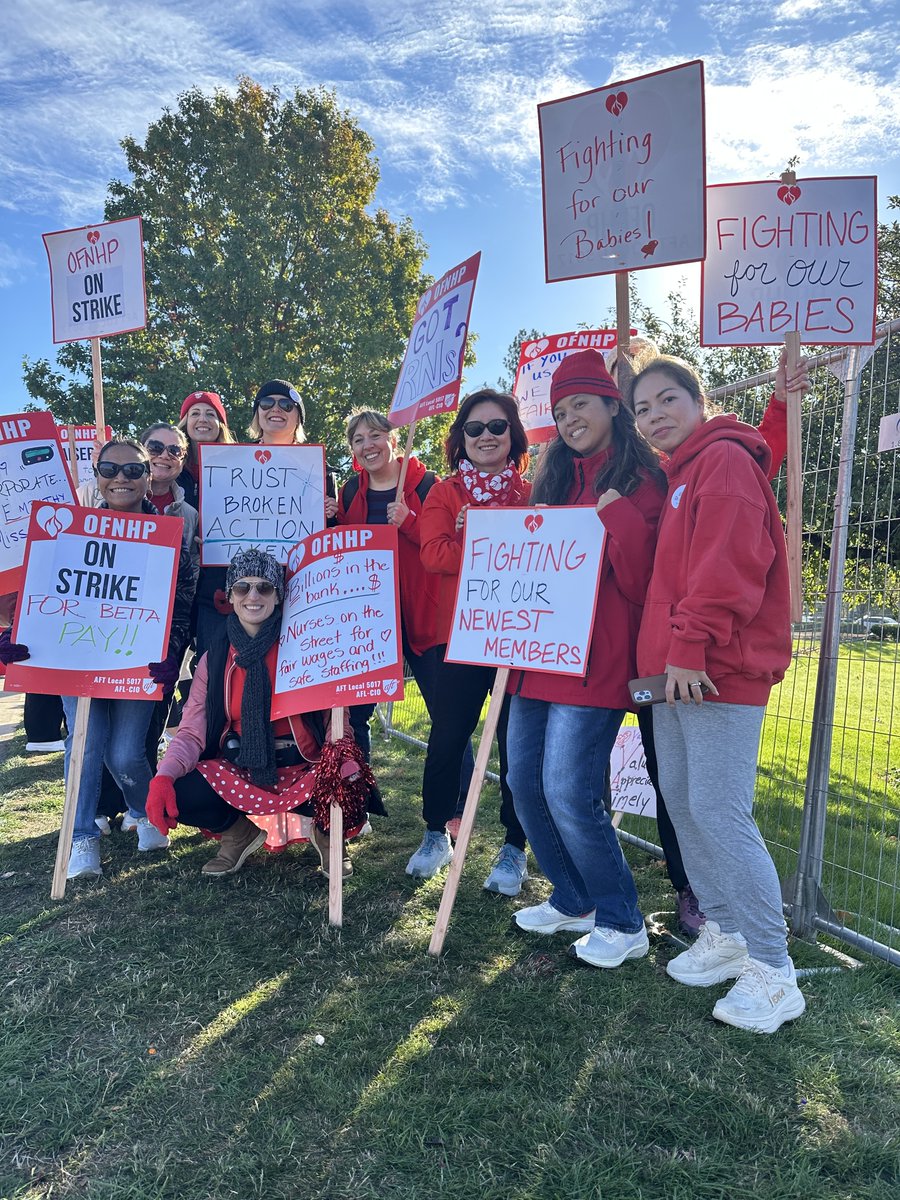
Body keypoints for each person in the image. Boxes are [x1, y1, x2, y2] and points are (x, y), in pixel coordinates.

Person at [632, 355, 805, 1032]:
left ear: (700, 402)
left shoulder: (723, 461)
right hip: (673, 674)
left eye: (667, 398)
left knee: (720, 810)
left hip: (712, 670)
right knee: (683, 802)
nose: (655, 416)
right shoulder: (689, 470)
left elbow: (728, 565)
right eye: (643, 408)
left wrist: (688, 645)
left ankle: (774, 967)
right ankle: (728, 930)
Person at [506, 349, 664, 967]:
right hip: (534, 657)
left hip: (595, 664)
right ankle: (573, 897)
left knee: (569, 791)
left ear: (610, 405)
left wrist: (617, 516)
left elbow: (646, 581)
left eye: (582, 405)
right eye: (562, 409)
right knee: (522, 783)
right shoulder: (552, 481)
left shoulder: (641, 481)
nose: (571, 418)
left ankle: (623, 920)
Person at [146, 549, 380, 876]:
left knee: (351, 780)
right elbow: (191, 732)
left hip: (303, 766)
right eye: (242, 587)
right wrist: (164, 777)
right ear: (230, 595)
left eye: (265, 588)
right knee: (182, 788)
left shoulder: (308, 648)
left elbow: (334, 718)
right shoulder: (213, 661)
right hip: (241, 768)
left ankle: (328, 836)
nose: (253, 596)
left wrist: (339, 755)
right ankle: (238, 836)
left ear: (278, 597)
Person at [53, 438, 195, 879]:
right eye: (109, 469)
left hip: (141, 664)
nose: (121, 478)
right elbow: (46, 591)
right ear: (96, 476)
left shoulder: (171, 535)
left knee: (127, 751)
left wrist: (172, 653)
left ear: (148, 478)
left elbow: (183, 603)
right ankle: (81, 838)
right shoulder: (72, 532)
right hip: (79, 659)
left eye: (132, 471)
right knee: (85, 745)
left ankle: (141, 808)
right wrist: (20, 638)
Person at [409, 389, 531, 896]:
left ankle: (513, 846)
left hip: (517, 637)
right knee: (448, 737)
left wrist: (476, 538)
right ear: (460, 438)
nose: (486, 437)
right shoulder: (445, 492)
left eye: (497, 427)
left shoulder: (532, 493)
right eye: (475, 428)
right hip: (455, 638)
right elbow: (434, 554)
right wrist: (492, 538)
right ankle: (436, 831)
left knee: (516, 746)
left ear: (513, 435)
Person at [324, 409, 474, 803]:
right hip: (370, 624)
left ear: (393, 440)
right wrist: (331, 521)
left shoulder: (430, 486)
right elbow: (346, 550)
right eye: (358, 439)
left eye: (375, 435)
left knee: (447, 718)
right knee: (355, 717)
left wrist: (409, 521)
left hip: (424, 619)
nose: (367, 445)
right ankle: (360, 805)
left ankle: (456, 807)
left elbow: (445, 546)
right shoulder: (351, 492)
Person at [176, 391, 236, 665]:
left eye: (210, 414)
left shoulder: (239, 466)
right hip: (177, 579)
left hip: (216, 581)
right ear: (184, 421)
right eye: (195, 413)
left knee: (209, 663)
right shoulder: (170, 465)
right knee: (170, 663)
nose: (203, 419)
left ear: (221, 423)